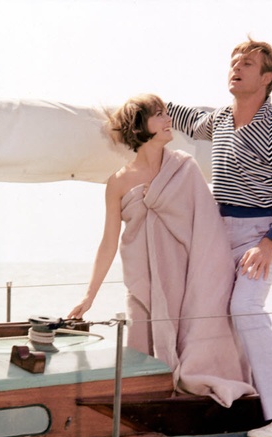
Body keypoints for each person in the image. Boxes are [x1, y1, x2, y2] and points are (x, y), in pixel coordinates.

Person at [167, 38, 272, 437]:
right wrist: (145, 106)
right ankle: (222, 388)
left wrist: (269, 243)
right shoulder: (219, 120)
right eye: (234, 61)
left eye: (247, 63)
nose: (236, 66)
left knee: (245, 307)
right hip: (218, 232)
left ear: (266, 78)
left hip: (261, 235)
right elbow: (183, 118)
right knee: (199, 307)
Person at [68, 93, 255, 407]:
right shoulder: (117, 183)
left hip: (186, 275)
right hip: (143, 282)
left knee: (190, 341)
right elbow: (108, 242)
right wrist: (89, 296)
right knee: (142, 355)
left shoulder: (184, 167)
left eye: (167, 113)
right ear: (139, 126)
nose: (169, 120)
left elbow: (208, 229)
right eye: (159, 115)